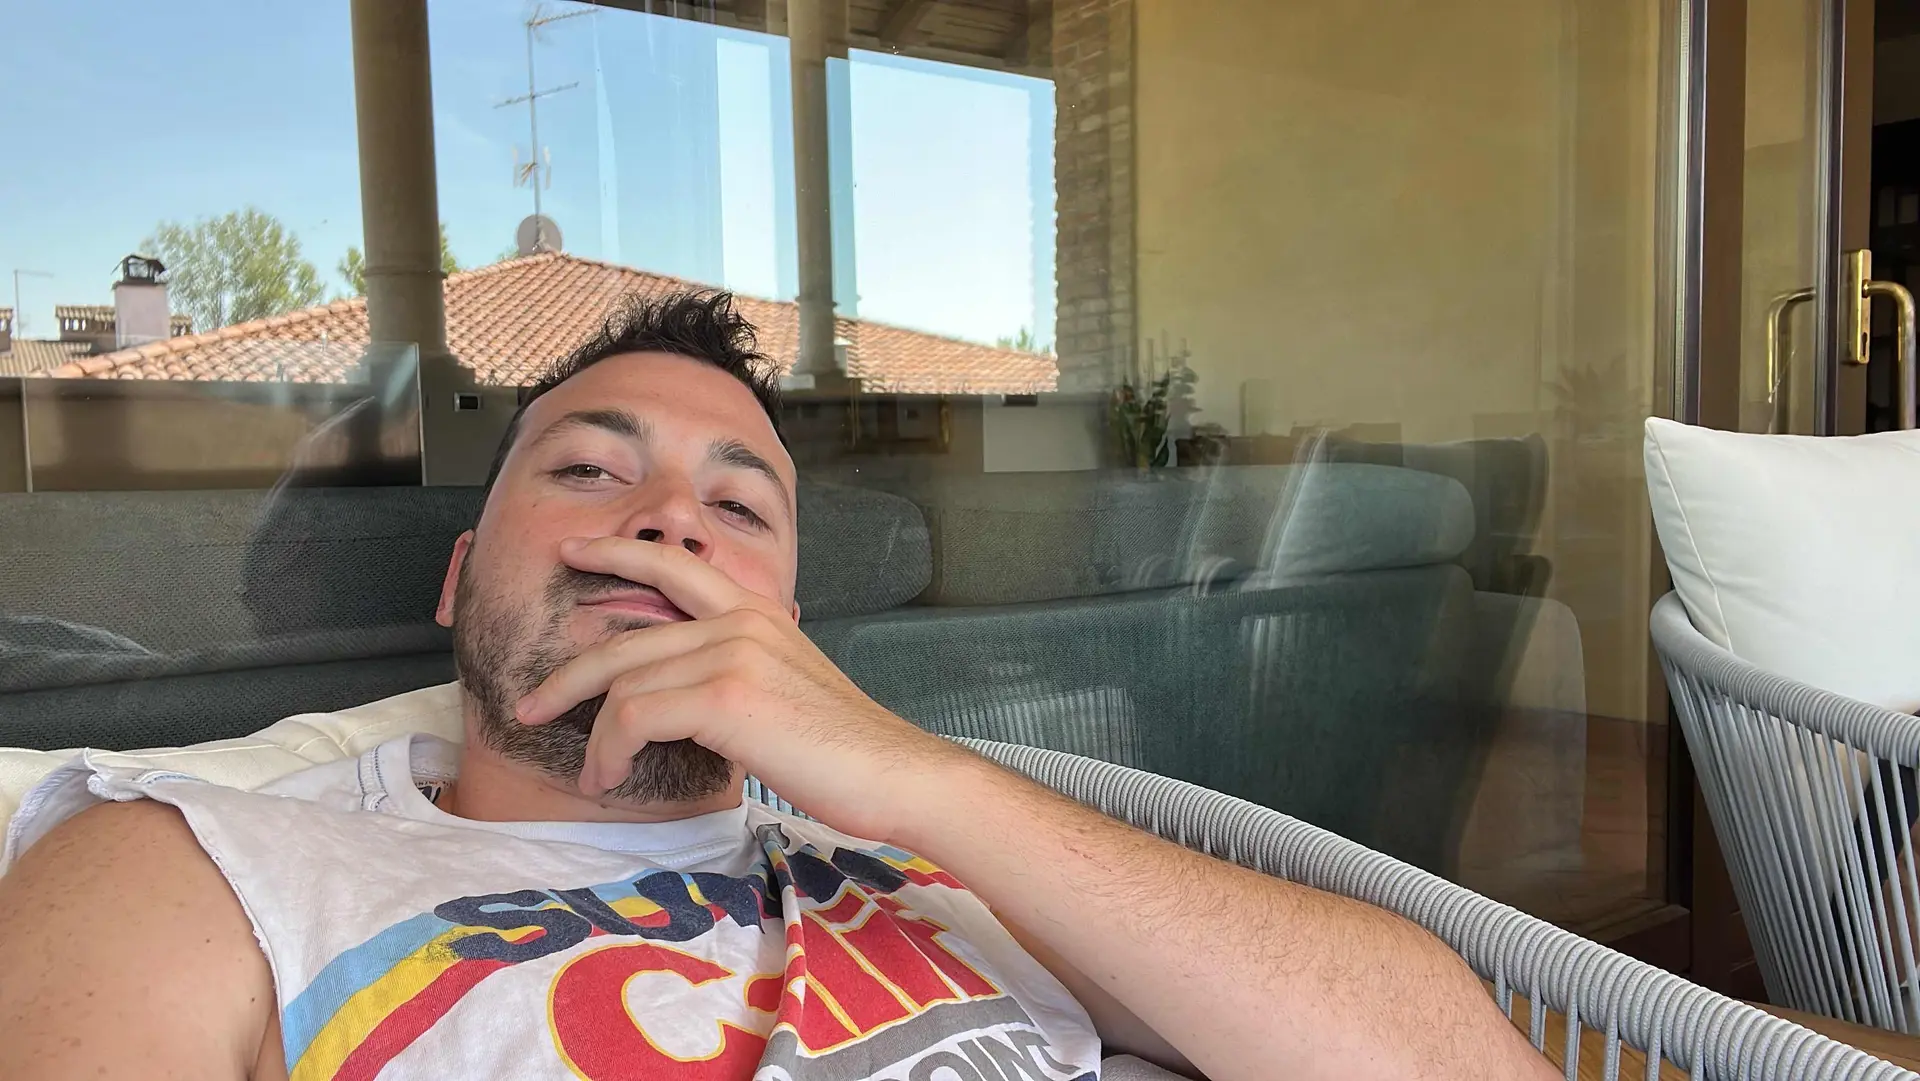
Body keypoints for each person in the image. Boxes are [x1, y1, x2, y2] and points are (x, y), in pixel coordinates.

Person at [0, 291, 1554, 1081]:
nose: (670, 520)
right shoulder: (194, 861)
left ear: (789, 628)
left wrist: (914, 778)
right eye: (591, 470)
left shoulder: (951, 859)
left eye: (737, 507)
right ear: (461, 579)